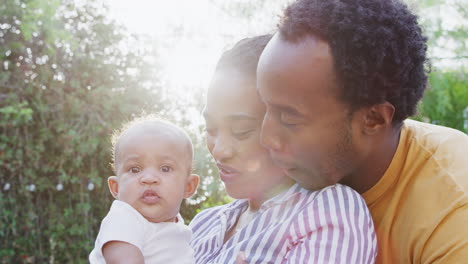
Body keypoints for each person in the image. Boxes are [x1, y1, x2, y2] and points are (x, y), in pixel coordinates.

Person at [256, 0, 468, 263]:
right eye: (264, 106)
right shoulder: (300, 169)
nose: (266, 139)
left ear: (373, 119)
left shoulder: (454, 212)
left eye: (289, 118)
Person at [189, 35, 377, 263]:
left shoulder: (328, 211)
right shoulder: (203, 224)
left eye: (241, 131)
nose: (219, 151)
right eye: (211, 129)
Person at [89, 117, 199, 263]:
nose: (149, 178)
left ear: (188, 186)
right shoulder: (124, 218)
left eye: (165, 168)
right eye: (134, 169)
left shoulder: (179, 229)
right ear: (116, 187)